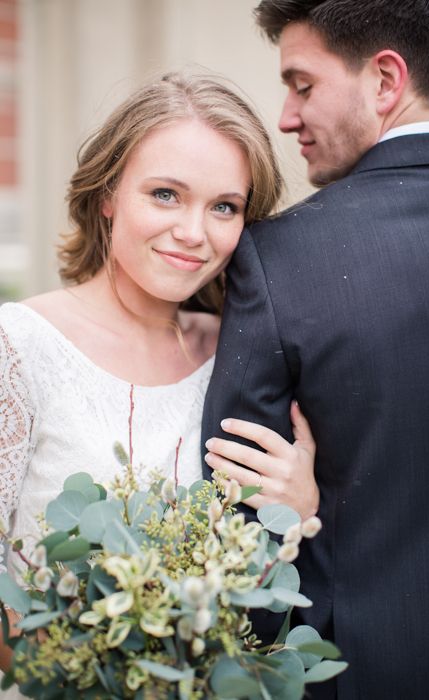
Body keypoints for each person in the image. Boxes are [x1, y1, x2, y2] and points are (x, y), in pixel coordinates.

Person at [0, 71, 319, 696]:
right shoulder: (18, 346)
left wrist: (301, 507)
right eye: (166, 194)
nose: (194, 232)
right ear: (107, 195)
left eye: (224, 207)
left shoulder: (243, 357)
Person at [202, 1, 429, 698]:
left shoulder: (280, 258)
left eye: (303, 85)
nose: (286, 116)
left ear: (385, 80)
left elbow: (239, 511)